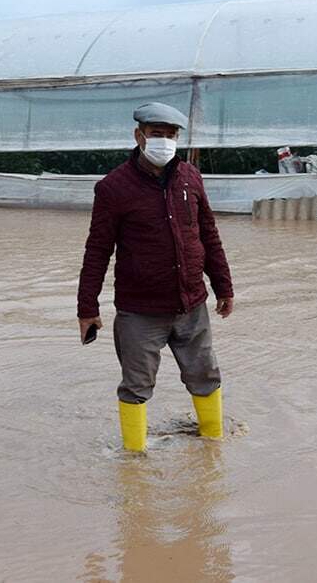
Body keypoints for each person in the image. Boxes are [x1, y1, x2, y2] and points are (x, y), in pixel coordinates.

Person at [77, 102, 235, 452]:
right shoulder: (113, 188)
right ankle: (133, 461)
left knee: (205, 376)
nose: (164, 141)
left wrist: (223, 285)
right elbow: (97, 250)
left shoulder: (190, 178)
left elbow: (208, 234)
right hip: (140, 311)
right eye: (156, 135)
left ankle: (213, 446)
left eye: (170, 135)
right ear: (139, 136)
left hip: (191, 304)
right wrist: (87, 308)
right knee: (136, 386)